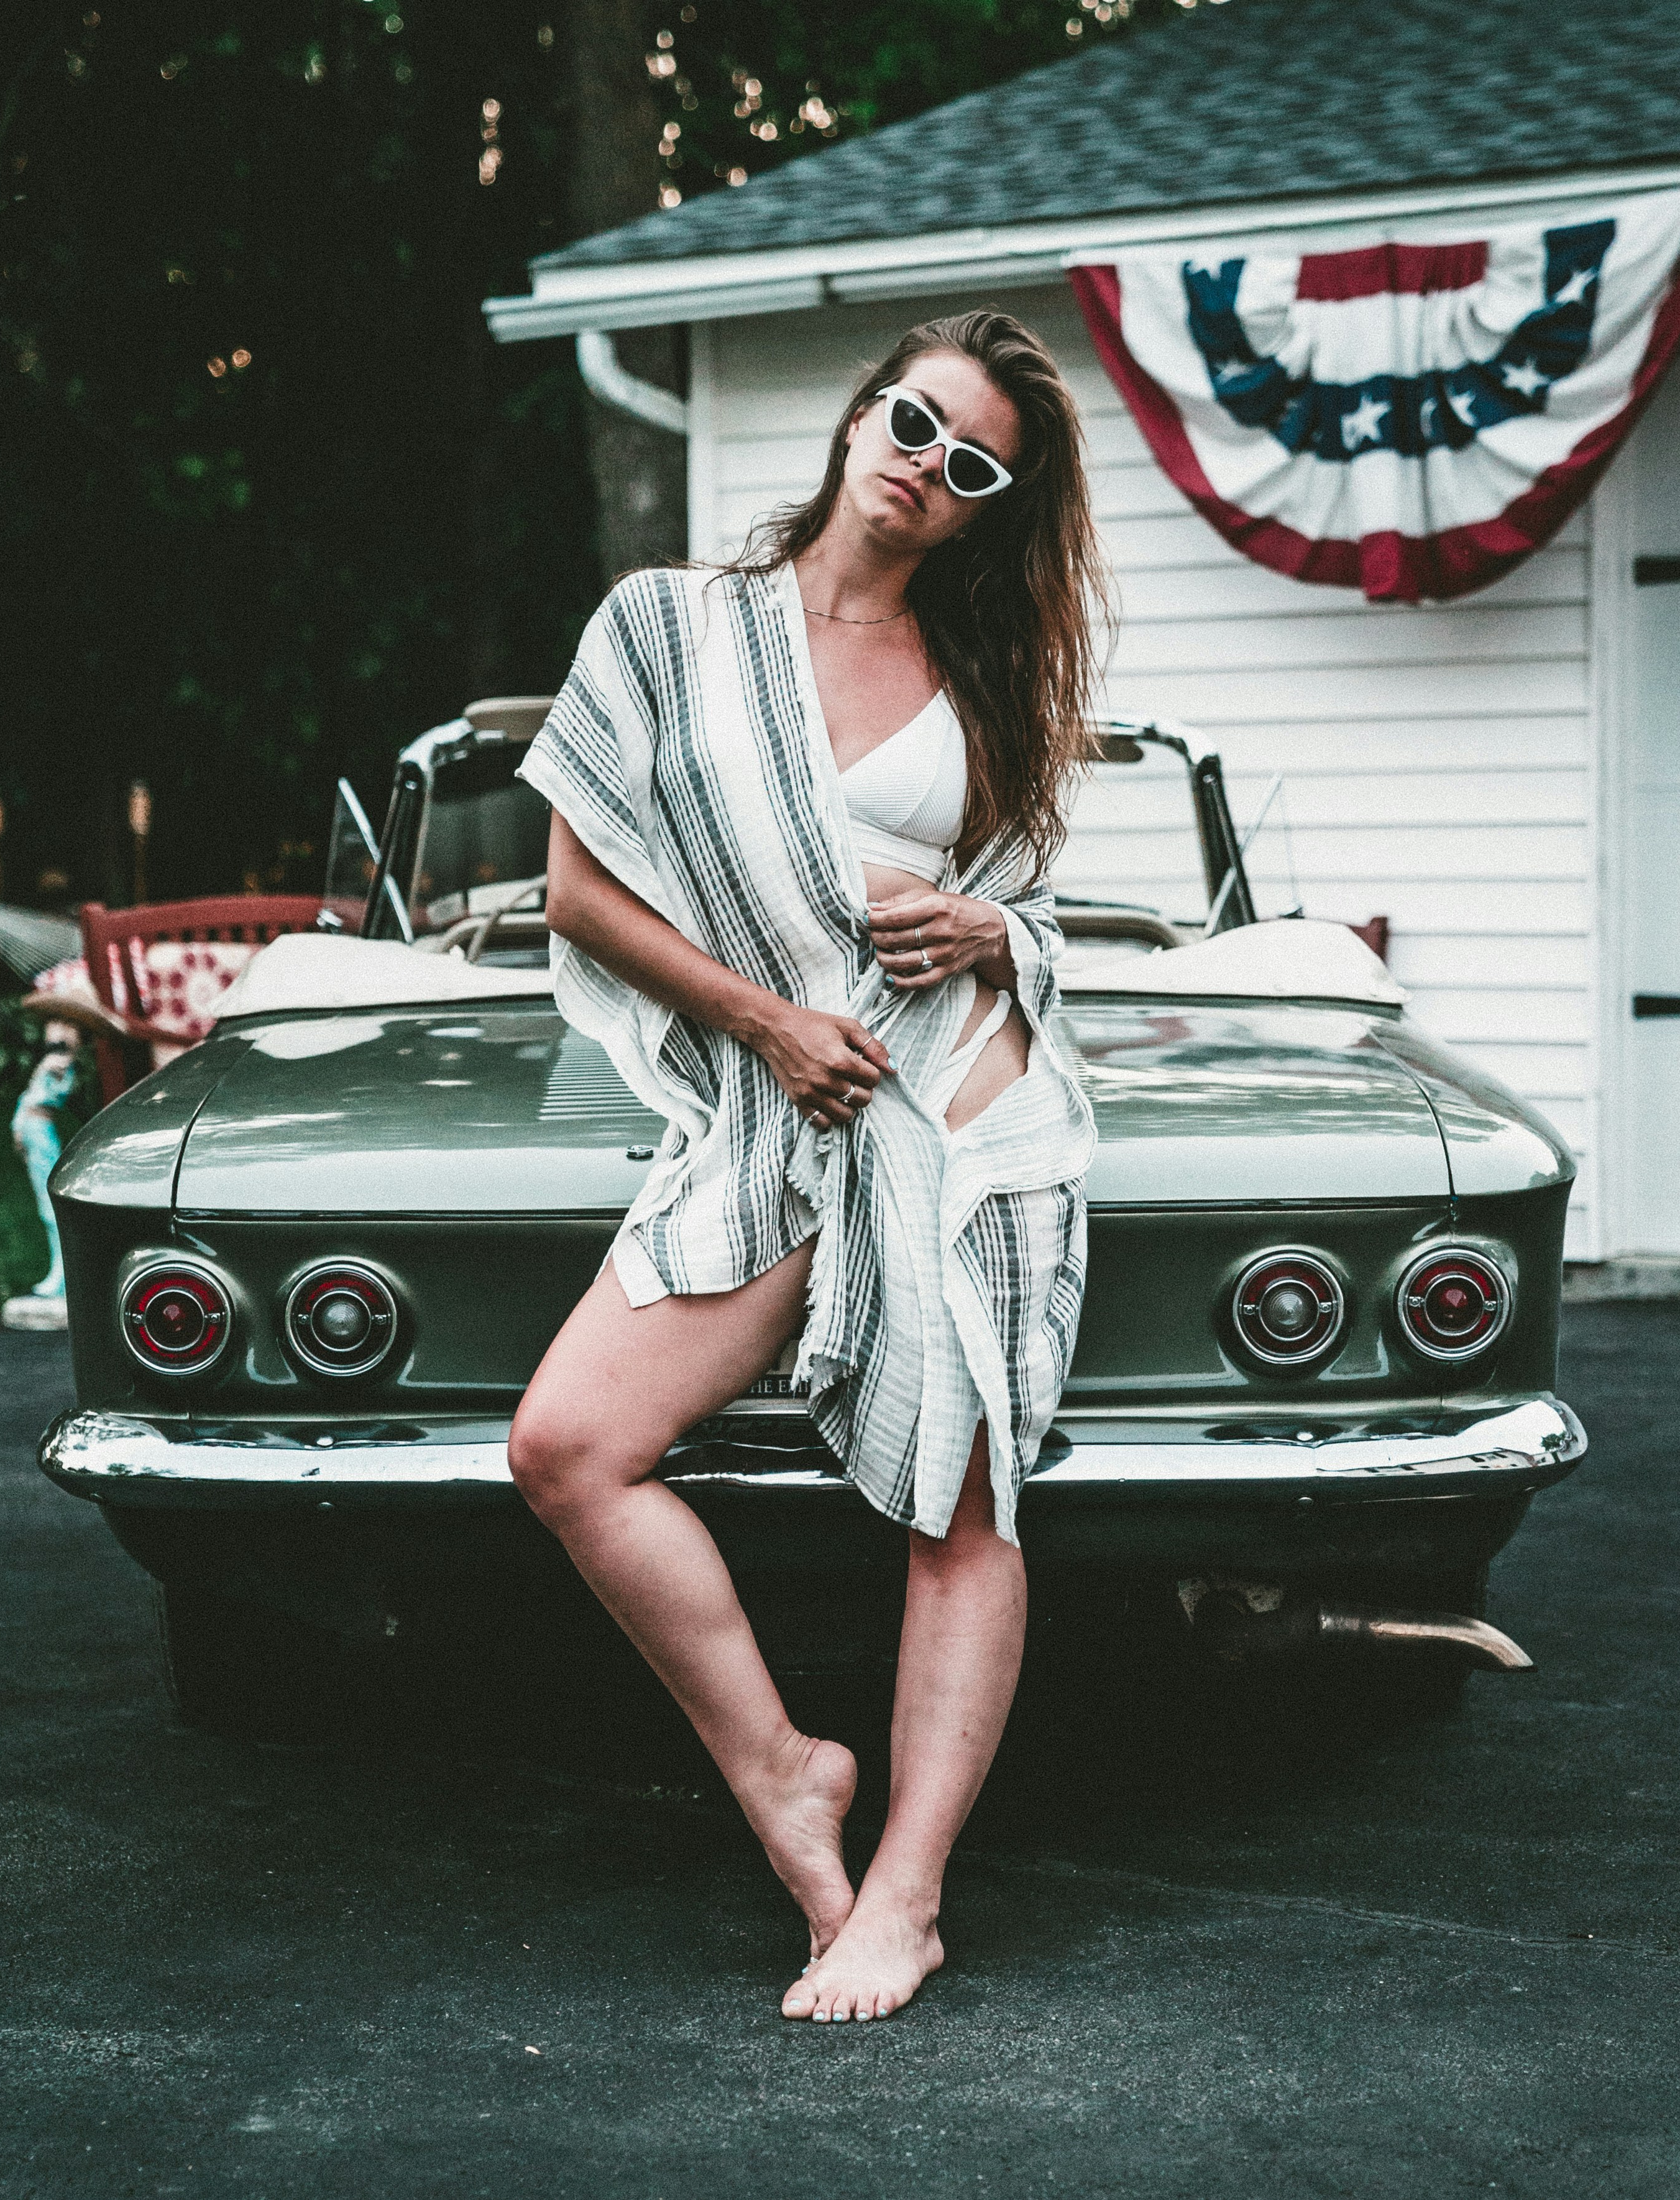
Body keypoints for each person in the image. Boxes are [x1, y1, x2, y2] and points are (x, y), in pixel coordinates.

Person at [508, 309, 1108, 2021]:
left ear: (991, 507)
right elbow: (580, 892)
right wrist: (766, 1026)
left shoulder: (980, 684)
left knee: (963, 1500)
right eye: (917, 422)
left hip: (969, 1121)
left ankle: (902, 1896)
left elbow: (1029, 910)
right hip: (784, 1107)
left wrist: (989, 918)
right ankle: (786, 1769)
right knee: (567, 1445)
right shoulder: (668, 626)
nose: (928, 465)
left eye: (973, 463)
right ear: (864, 413)